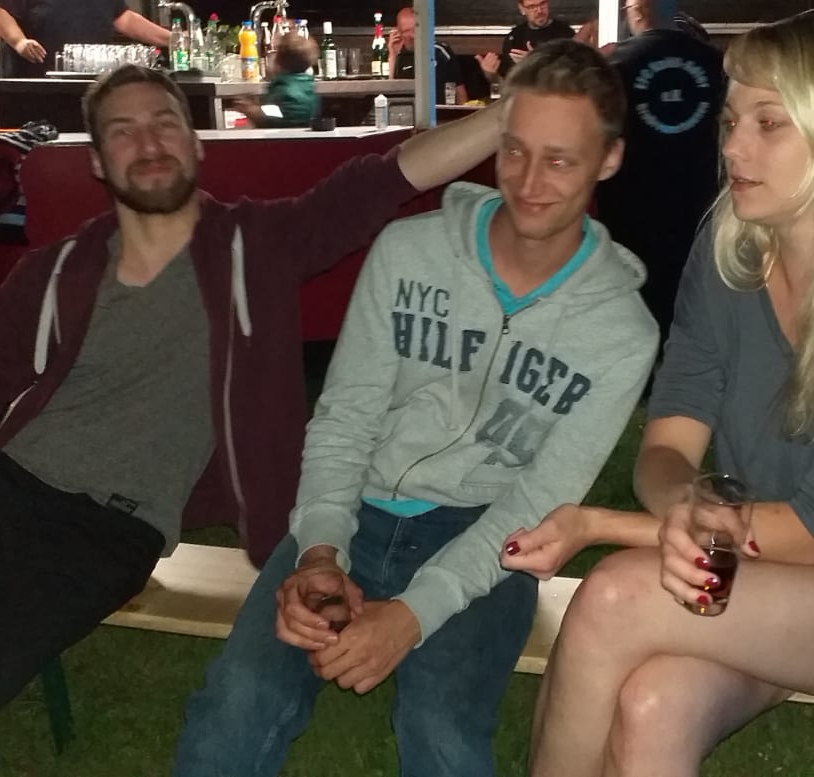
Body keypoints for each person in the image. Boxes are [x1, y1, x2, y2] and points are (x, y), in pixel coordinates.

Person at [0, 64, 502, 775]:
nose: (150, 142)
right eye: (123, 131)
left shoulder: (255, 248)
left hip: (104, 533)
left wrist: (513, 115)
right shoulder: (59, 273)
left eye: (165, 123)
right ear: (99, 162)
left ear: (196, 144)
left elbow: (387, 179)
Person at [500, 9, 814, 775]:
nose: (733, 147)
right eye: (732, 121)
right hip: (766, 569)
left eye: (769, 123)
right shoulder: (726, 254)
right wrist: (687, 510)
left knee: (614, 596)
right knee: (655, 703)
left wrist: (599, 523)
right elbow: (667, 446)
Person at [172, 40, 658, 777]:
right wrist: (320, 550)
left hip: (489, 532)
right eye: (515, 151)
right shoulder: (408, 253)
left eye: (561, 160)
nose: (529, 182)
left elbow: (537, 505)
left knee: (442, 727)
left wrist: (411, 615)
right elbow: (345, 420)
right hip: (356, 506)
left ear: (609, 159)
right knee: (234, 704)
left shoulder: (622, 333)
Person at [595, 0, 725, 344]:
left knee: (633, 313)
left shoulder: (613, 64)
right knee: (691, 312)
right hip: (697, 209)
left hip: (629, 211)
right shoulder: (715, 61)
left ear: (637, 11)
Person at [0, 0, 171, 79]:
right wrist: (19, 42)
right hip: (33, 83)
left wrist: (174, 39)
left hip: (85, 84)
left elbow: (125, 19)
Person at [234, 32, 319, 129]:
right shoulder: (308, 85)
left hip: (285, 138)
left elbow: (278, 123)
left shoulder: (284, 90)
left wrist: (250, 111)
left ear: (279, 61)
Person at [388, 7, 468, 105]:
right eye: (406, 31)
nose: (412, 36)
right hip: (406, 111)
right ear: (398, 32)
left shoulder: (439, 52)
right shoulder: (399, 55)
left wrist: (463, 112)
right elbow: (388, 91)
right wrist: (393, 55)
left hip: (438, 112)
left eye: (415, 30)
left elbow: (459, 90)